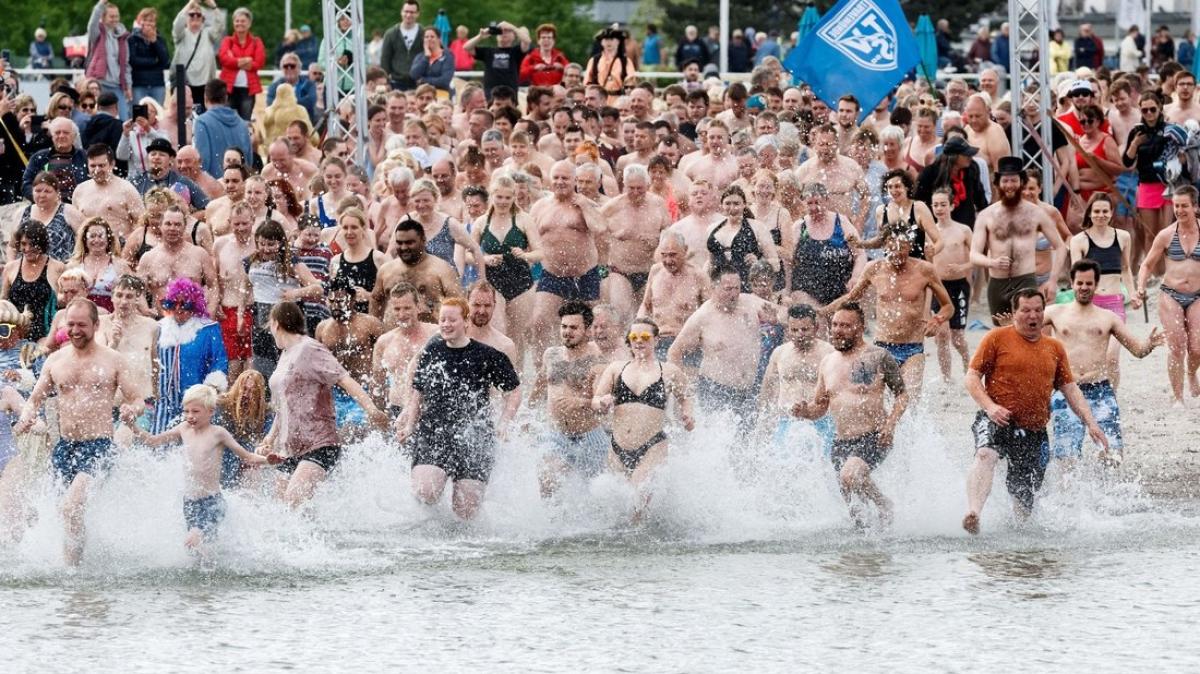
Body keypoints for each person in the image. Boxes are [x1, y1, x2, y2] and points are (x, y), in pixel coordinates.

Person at [962, 289, 1108, 534]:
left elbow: (1070, 389)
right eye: (1026, 310)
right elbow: (972, 377)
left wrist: (1091, 423)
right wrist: (990, 407)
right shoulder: (996, 338)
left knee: (1024, 498)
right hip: (996, 418)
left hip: (1034, 430)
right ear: (1014, 313)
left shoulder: (1054, 348)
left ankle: (1020, 540)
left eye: (1038, 310)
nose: (1033, 316)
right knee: (985, 455)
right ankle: (974, 512)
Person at [15, 299, 144, 565]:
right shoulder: (55, 360)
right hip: (65, 447)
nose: (74, 330)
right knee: (66, 514)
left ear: (96, 325)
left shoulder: (113, 360)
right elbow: (34, 400)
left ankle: (73, 571)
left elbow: (137, 400)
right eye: (70, 324)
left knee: (70, 507)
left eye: (81, 325)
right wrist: (28, 415)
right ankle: (78, 567)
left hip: (98, 447)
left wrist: (131, 411)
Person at [397, 297, 521, 520]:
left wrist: (504, 422)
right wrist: (409, 424)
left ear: (465, 322)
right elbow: (418, 391)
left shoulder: (487, 355)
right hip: (434, 432)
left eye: (452, 320)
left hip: (474, 436)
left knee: (465, 512)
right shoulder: (432, 350)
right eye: (442, 320)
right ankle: (430, 525)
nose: (445, 324)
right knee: (426, 491)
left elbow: (514, 391)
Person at [259, 301, 387, 507]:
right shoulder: (285, 354)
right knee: (280, 509)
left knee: (293, 503)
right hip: (289, 447)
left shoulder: (310, 348)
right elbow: (285, 405)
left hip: (318, 443)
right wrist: (269, 438)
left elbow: (344, 378)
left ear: (275, 324)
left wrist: (371, 409)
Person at [792, 303, 909, 528]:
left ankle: (884, 504)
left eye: (845, 325)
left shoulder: (878, 356)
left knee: (850, 475)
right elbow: (820, 406)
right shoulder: (827, 362)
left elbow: (902, 395)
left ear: (860, 327)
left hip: (874, 436)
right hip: (841, 442)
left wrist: (891, 425)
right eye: (835, 324)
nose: (837, 330)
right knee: (855, 509)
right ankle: (864, 554)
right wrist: (805, 412)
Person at [1043, 259, 1163, 468]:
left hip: (1099, 390)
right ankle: (1068, 500)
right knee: (1067, 457)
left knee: (1112, 455)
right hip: (1067, 390)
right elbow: (1026, 328)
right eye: (1080, 283)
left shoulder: (1109, 317)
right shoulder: (1055, 312)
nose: (1084, 288)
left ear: (1096, 285)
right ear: (1072, 283)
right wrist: (1010, 325)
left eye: (1089, 283)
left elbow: (1137, 350)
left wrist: (1149, 344)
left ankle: (1108, 498)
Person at [131, 384, 276, 549]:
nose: (190, 416)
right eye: (186, 411)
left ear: (211, 411)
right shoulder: (183, 429)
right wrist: (132, 426)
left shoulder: (218, 433)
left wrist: (268, 460)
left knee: (193, 540)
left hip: (212, 502)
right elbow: (153, 441)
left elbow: (247, 456)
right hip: (190, 503)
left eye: (195, 411)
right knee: (200, 552)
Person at [824, 234, 952, 400]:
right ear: (884, 247)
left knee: (910, 399)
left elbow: (948, 306)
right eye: (891, 248)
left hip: (912, 348)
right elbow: (851, 298)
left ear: (910, 246)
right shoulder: (874, 268)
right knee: (873, 400)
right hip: (882, 346)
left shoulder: (924, 270)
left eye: (901, 248)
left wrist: (937, 320)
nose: (896, 253)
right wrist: (822, 311)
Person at [592, 316, 693, 518]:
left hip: (652, 446)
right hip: (618, 447)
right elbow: (595, 400)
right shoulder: (615, 369)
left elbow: (686, 396)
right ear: (629, 340)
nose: (639, 341)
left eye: (645, 336)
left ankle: (642, 543)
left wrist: (687, 414)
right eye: (634, 336)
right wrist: (602, 403)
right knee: (617, 509)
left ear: (656, 340)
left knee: (638, 497)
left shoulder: (669, 371)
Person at [668, 266, 777, 430]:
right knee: (718, 441)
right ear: (713, 288)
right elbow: (674, 352)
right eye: (728, 289)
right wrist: (682, 392)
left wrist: (775, 320)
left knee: (745, 445)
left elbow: (786, 315)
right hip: (716, 390)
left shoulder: (750, 303)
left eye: (737, 288)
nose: (733, 294)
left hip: (749, 390)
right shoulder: (702, 317)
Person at [970, 157, 1065, 324]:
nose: (1009, 185)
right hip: (997, 284)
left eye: (1014, 180)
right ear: (997, 183)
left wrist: (1053, 280)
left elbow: (1060, 246)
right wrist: (992, 262)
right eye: (1005, 180)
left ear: (1021, 182)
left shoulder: (1036, 213)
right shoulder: (986, 215)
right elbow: (974, 255)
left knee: (1028, 330)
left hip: (1025, 280)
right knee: (1001, 336)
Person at [528, 161, 606, 356]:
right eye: (556, 178)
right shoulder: (540, 207)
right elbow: (528, 239)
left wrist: (584, 206)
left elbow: (600, 229)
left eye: (565, 178)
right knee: (539, 322)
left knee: (594, 326)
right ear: (550, 180)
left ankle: (594, 365)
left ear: (575, 181)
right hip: (552, 275)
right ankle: (543, 370)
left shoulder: (585, 204)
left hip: (584, 275)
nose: (560, 182)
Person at [532, 301, 608, 496]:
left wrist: (580, 402)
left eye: (574, 327)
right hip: (556, 434)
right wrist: (528, 411)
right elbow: (541, 383)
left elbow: (601, 403)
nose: (567, 332)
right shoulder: (551, 355)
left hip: (589, 437)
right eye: (564, 326)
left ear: (588, 330)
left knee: (591, 495)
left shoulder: (597, 362)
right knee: (548, 479)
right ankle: (550, 524)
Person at [1136, 186, 1200, 403]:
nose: (1180, 210)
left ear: (1195, 206)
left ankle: (1191, 373)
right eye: (1176, 206)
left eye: (1184, 206)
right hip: (1171, 294)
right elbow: (1146, 265)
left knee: (1197, 347)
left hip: (1198, 295)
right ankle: (1178, 396)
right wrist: (1140, 287)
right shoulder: (1166, 235)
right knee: (1177, 347)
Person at [151, 277, 228, 433]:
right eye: (172, 304)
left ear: (195, 306)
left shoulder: (208, 328)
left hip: (195, 401)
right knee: (158, 444)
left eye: (185, 305)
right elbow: (152, 362)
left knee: (193, 444)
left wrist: (210, 389)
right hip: (164, 401)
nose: (178, 309)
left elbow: (219, 361)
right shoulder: (160, 327)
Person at [758, 304, 835, 457]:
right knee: (781, 471)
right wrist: (764, 424)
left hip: (821, 422)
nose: (800, 334)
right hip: (787, 421)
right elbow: (766, 391)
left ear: (816, 327)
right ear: (788, 330)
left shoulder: (830, 354)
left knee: (823, 470)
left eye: (805, 329)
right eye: (794, 330)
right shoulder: (779, 353)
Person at [315, 277, 385, 438]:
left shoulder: (370, 324)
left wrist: (381, 389)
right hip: (336, 394)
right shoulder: (322, 328)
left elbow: (386, 355)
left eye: (340, 301)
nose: (336, 306)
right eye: (331, 301)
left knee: (352, 431)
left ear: (353, 299)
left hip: (365, 390)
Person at [789, 182, 865, 308]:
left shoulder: (842, 222)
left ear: (826, 200)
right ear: (804, 204)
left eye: (817, 202)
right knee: (815, 318)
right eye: (809, 203)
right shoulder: (799, 227)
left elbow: (860, 254)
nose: (814, 207)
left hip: (840, 290)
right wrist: (787, 289)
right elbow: (789, 261)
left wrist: (855, 277)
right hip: (806, 291)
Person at [371, 219, 461, 323]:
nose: (404, 247)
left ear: (423, 240)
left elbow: (459, 305)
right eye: (399, 243)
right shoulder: (386, 271)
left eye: (409, 243)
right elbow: (376, 301)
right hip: (394, 335)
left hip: (430, 335)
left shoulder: (442, 269)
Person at [929, 188, 974, 381]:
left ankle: (967, 365)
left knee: (957, 337)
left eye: (943, 204)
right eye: (936, 205)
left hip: (959, 286)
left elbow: (977, 258)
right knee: (941, 334)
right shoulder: (929, 232)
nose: (939, 208)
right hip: (938, 288)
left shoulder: (963, 230)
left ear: (952, 205)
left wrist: (963, 267)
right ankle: (946, 377)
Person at [136, 204, 218, 307]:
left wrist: (210, 311)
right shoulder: (148, 258)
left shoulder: (199, 254)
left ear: (185, 227)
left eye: (177, 224)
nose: (172, 228)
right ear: (160, 226)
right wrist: (145, 310)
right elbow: (138, 291)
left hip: (193, 316)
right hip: (161, 319)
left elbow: (213, 286)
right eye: (168, 224)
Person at [3, 221, 65, 342]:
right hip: (14, 338)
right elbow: (3, 302)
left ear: (42, 243)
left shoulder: (58, 268)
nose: (27, 249)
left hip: (46, 336)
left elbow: (63, 304)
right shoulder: (10, 268)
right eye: (23, 244)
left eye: (33, 244)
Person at [74, 144, 145, 239]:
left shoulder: (126, 189)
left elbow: (142, 223)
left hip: (120, 248)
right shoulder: (80, 190)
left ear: (112, 164)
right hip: (89, 249)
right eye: (93, 166)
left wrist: (129, 247)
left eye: (101, 165)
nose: (97, 170)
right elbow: (75, 225)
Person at [14, 172, 83, 262]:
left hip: (62, 270)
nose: (42, 195)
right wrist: (11, 265)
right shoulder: (22, 213)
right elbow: (12, 246)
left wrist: (75, 262)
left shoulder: (68, 211)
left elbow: (86, 239)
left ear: (57, 193)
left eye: (47, 191)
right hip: (27, 271)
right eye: (38, 191)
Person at [173, 1, 226, 113]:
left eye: (198, 15)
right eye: (191, 15)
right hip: (185, 84)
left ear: (203, 19)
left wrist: (213, 6)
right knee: (185, 118)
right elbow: (177, 23)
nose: (195, 17)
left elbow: (220, 25)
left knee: (205, 116)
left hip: (205, 85)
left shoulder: (208, 34)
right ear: (186, 18)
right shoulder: (181, 35)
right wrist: (191, 3)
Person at [68, 217, 130, 312]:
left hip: (111, 317)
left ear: (108, 239)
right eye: (92, 236)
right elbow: (63, 298)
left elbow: (134, 294)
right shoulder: (74, 265)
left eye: (101, 236)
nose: (96, 240)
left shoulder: (120, 265)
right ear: (85, 239)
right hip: (80, 316)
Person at [194, 79, 253, 178]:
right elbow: (249, 160)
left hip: (213, 186)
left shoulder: (202, 122)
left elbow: (203, 161)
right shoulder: (242, 124)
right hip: (239, 184)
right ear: (226, 98)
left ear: (205, 97)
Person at [86, 1, 133, 119]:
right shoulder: (97, 33)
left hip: (117, 85)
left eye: (117, 16)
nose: (115, 19)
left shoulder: (123, 37)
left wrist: (128, 86)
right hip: (99, 83)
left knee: (124, 118)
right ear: (103, 17)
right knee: (99, 118)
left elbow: (126, 65)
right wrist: (100, 4)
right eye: (111, 16)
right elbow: (92, 24)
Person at [217, 7, 265, 121]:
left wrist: (234, 59)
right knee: (227, 121)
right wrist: (245, 60)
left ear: (249, 23)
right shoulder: (227, 41)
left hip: (248, 90)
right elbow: (223, 59)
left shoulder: (256, 42)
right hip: (228, 89)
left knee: (245, 122)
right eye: (237, 21)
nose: (239, 23)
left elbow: (259, 62)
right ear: (233, 23)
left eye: (243, 21)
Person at [128, 7, 170, 105]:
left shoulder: (160, 40)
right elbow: (133, 60)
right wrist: (154, 61)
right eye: (145, 20)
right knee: (139, 115)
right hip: (139, 84)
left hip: (157, 84)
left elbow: (165, 61)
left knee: (157, 114)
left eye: (151, 21)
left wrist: (154, 41)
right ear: (139, 22)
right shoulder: (132, 39)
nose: (148, 23)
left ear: (155, 23)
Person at [380, 1, 423, 91]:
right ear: (401, 12)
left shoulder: (424, 33)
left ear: (417, 14)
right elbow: (385, 59)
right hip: (396, 82)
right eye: (406, 11)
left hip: (419, 83)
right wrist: (385, 82)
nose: (408, 15)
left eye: (412, 12)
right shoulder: (391, 34)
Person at [409, 27, 454, 96]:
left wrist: (423, 80)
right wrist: (426, 57)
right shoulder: (420, 56)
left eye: (432, 37)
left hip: (441, 94)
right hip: (422, 95)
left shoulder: (447, 56)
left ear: (439, 39)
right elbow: (413, 75)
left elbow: (445, 80)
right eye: (426, 37)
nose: (429, 39)